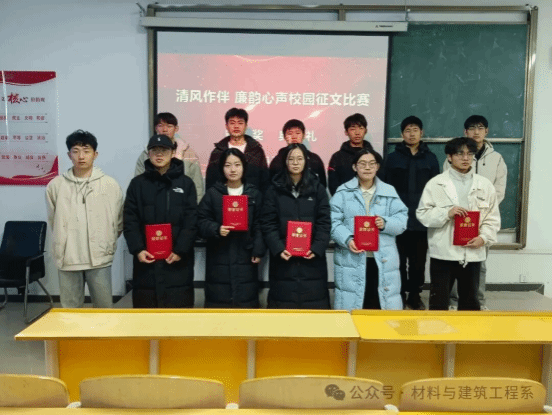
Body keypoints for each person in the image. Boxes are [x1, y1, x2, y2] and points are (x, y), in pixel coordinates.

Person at [417, 137, 500, 311]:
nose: (465, 158)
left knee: (470, 303)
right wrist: (446, 213)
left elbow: (492, 218)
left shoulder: (485, 185)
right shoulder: (436, 184)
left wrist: (484, 238)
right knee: (439, 303)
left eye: (470, 154)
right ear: (449, 157)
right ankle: (438, 330)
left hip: (473, 252)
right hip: (443, 253)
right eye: (460, 154)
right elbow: (423, 215)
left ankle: (468, 330)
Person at [46, 130, 123, 308]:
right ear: (69, 155)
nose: (81, 156)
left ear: (95, 154)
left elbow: (118, 222)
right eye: (76, 151)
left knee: (104, 307)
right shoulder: (56, 186)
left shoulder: (110, 185)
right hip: (68, 258)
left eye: (86, 151)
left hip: (99, 258)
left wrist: (107, 241)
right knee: (71, 309)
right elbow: (53, 221)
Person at [124, 134, 198, 308]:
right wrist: (138, 249)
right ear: (148, 154)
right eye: (154, 150)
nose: (159, 154)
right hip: (146, 260)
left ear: (172, 153)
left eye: (164, 150)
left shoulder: (186, 184)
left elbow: (191, 220)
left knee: (177, 313)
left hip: (178, 260)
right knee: (147, 313)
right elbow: (130, 219)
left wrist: (180, 250)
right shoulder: (137, 184)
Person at [331, 148, 408, 311]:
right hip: (352, 258)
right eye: (363, 163)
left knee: (380, 306)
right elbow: (333, 222)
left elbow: (402, 220)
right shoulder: (343, 192)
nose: (367, 167)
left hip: (382, 259)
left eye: (372, 163)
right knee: (355, 307)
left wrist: (386, 223)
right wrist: (347, 239)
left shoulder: (388, 192)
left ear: (377, 167)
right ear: (354, 167)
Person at [445, 115, 507, 310]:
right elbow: (446, 185)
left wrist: (482, 211)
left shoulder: (497, 159)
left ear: (486, 131)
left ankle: (478, 302)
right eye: (472, 128)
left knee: (480, 264)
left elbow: (499, 190)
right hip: (459, 218)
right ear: (465, 132)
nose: (476, 132)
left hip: (483, 219)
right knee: (455, 261)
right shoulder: (453, 156)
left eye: (480, 128)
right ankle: (454, 301)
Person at [380, 116, 440, 310]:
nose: (411, 134)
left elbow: (436, 189)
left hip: (421, 220)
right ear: (402, 134)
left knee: (418, 262)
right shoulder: (392, 158)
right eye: (407, 130)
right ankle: (399, 294)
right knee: (397, 260)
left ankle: (415, 295)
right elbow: (384, 187)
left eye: (415, 130)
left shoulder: (431, 159)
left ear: (421, 133)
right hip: (397, 219)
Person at [261, 143, 331, 309]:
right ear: (285, 162)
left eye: (299, 158)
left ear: (306, 161)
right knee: (283, 312)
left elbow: (325, 222)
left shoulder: (318, 189)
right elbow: (268, 223)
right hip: (283, 261)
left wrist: (316, 248)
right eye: (291, 159)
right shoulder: (274, 190)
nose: (295, 162)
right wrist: (278, 248)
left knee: (313, 312)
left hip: (312, 261)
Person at [198, 148, 265, 308]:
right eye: (228, 165)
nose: (233, 169)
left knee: (245, 306)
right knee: (219, 307)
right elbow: (200, 220)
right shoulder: (213, 194)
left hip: (246, 257)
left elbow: (261, 224)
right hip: (219, 256)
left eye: (237, 164)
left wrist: (258, 250)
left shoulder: (254, 194)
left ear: (244, 167)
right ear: (222, 168)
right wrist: (216, 228)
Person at [134, 112, 204, 201]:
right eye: (160, 126)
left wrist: (196, 206)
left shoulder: (189, 154)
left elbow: (197, 186)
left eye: (169, 126)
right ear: (155, 128)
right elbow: (138, 184)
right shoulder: (146, 154)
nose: (165, 130)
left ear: (176, 129)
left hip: (182, 203)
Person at [205, 108, 269, 191]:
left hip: (252, 196)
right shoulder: (218, 151)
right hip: (223, 196)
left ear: (246, 126)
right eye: (232, 123)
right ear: (226, 126)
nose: (236, 126)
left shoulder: (256, 151)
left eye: (240, 123)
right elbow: (210, 181)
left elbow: (265, 180)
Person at [269, 119, 327, 188]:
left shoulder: (314, 159)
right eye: (290, 133)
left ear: (304, 135)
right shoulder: (277, 160)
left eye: (297, 133)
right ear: (284, 137)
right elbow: (271, 185)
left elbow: (322, 185)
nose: (294, 137)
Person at [328, 113, 374, 195]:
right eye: (353, 129)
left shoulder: (374, 156)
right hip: (344, 201)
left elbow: (380, 182)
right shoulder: (337, 157)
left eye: (361, 128)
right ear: (346, 132)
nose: (357, 132)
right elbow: (333, 185)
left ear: (365, 131)